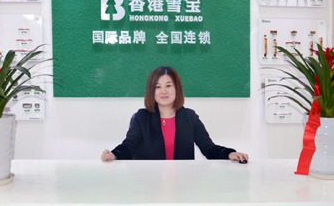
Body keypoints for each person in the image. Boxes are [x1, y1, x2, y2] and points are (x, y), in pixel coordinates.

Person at [101, 66, 249, 162]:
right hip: (148, 185)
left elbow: (209, 149)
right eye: (157, 87)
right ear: (151, 91)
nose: (163, 91)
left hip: (182, 185)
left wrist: (229, 154)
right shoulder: (141, 118)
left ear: (177, 89)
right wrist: (114, 154)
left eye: (168, 86)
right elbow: (129, 146)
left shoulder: (190, 117)